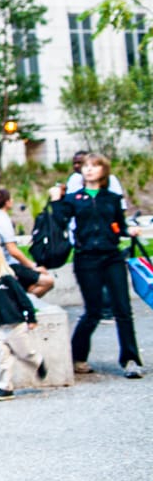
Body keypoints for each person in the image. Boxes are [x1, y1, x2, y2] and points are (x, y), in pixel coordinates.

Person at [49, 154, 144, 378]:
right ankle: (76, 356)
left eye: (94, 166)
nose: (89, 170)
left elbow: (118, 225)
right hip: (86, 257)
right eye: (86, 166)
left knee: (123, 309)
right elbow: (59, 221)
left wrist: (127, 230)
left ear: (103, 171)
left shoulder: (111, 198)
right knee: (93, 311)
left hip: (111, 256)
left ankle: (130, 359)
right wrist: (56, 201)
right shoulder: (74, 198)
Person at [0, 242, 47, 401]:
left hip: (15, 325)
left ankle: (38, 362)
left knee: (24, 353)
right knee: (2, 358)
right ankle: (5, 388)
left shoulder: (7, 279)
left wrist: (31, 318)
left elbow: (23, 299)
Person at [67, 152, 126, 323]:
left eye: (82, 163)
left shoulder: (110, 186)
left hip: (106, 239)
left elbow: (118, 208)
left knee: (110, 279)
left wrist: (118, 229)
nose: (78, 167)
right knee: (92, 283)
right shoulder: (74, 182)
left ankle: (107, 309)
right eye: (77, 164)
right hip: (83, 239)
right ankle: (96, 311)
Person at [0, 188, 55, 297]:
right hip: (8, 266)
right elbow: (12, 250)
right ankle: (26, 301)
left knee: (29, 286)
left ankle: (22, 299)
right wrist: (32, 266)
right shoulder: (3, 220)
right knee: (48, 281)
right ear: (7, 202)